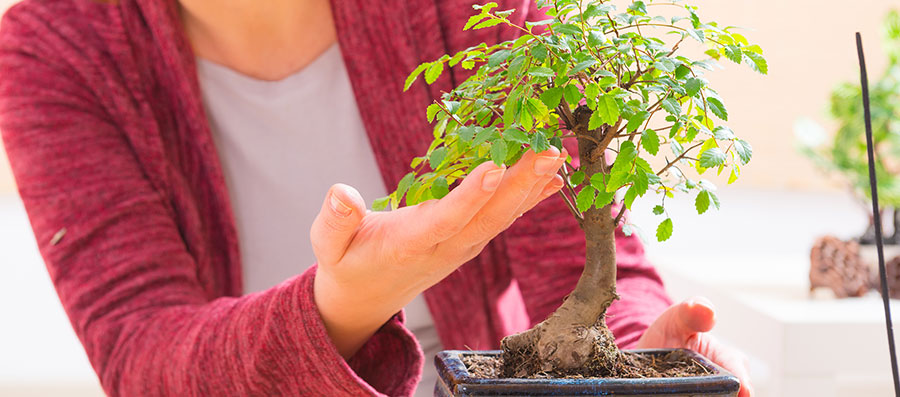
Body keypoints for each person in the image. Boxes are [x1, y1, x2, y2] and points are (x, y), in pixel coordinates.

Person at [0, 0, 753, 396]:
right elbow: (143, 358)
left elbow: (580, 255)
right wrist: (345, 304)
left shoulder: (472, 9)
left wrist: (633, 354)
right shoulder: (56, 49)